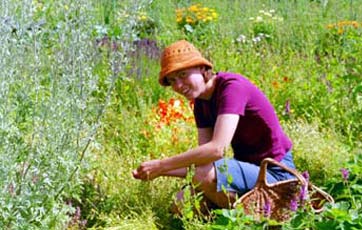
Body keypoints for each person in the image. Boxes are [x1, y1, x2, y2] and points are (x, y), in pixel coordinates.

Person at [132, 40, 296, 214]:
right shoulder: (201, 103)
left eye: (183, 74)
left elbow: (216, 150)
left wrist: (161, 165)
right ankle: (236, 214)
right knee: (181, 204)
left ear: (202, 68)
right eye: (172, 80)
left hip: (276, 173)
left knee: (204, 176)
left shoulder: (232, 87)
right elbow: (206, 161)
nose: (178, 85)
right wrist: (159, 171)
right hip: (249, 171)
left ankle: (257, 220)